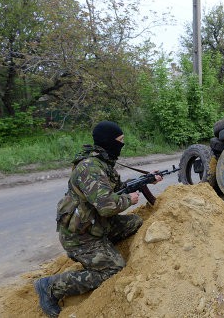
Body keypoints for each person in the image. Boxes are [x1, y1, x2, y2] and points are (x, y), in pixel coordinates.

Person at [34, 121, 162, 317]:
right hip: (79, 236)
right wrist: (129, 199)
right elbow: (107, 206)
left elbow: (116, 190)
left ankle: (103, 251)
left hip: (96, 226)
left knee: (135, 223)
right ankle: (51, 287)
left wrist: (146, 179)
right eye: (120, 141)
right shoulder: (89, 168)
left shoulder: (104, 163)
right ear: (108, 142)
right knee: (114, 269)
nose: (122, 145)